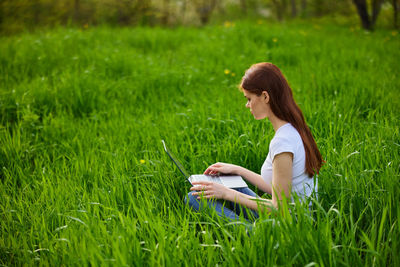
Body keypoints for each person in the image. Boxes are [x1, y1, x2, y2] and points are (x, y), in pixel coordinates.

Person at [185, 62, 323, 221]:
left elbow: (279, 208)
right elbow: (278, 188)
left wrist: (226, 193)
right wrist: (238, 170)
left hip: (284, 230)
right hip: (288, 218)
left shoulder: (283, 142)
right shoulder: (292, 129)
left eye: (249, 99)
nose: (247, 105)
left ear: (265, 96)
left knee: (193, 198)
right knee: (231, 184)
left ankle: (249, 237)